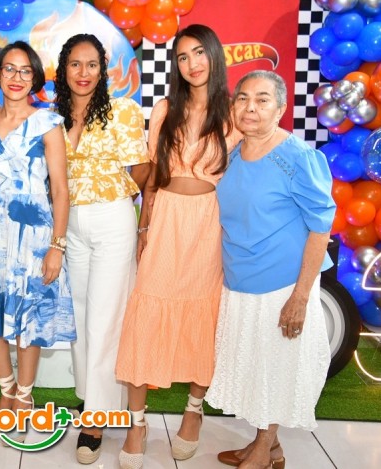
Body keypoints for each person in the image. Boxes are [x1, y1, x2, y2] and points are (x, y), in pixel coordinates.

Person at [115, 24, 241, 469]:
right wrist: (143, 228)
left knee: (204, 316)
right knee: (145, 314)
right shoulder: (166, 109)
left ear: (214, 55)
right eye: (183, 57)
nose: (192, 64)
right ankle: (137, 424)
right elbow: (151, 176)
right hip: (166, 218)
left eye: (199, 53)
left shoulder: (234, 112)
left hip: (209, 225)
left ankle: (193, 412)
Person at [206, 70, 335, 469]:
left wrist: (301, 297)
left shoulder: (297, 157)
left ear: (280, 109)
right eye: (243, 98)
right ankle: (269, 446)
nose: (250, 108)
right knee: (255, 365)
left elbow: (321, 227)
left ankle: (264, 449)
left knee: (277, 365)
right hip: (241, 278)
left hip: (283, 283)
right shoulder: (232, 153)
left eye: (262, 100)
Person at [0, 41, 76, 426]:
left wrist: (57, 246)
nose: (16, 77)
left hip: (35, 234)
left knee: (29, 318)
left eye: (25, 70)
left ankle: (26, 393)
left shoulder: (49, 123)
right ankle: (6, 385)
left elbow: (60, 190)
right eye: (10, 69)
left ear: (35, 78)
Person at [53, 33, 149, 464]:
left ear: (102, 69)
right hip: (71, 223)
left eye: (92, 64)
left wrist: (118, 200)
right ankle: (92, 396)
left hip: (112, 219)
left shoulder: (123, 111)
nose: (84, 72)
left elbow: (142, 168)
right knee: (79, 316)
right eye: (75, 64)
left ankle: (94, 421)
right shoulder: (53, 115)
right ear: (64, 69)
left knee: (106, 319)